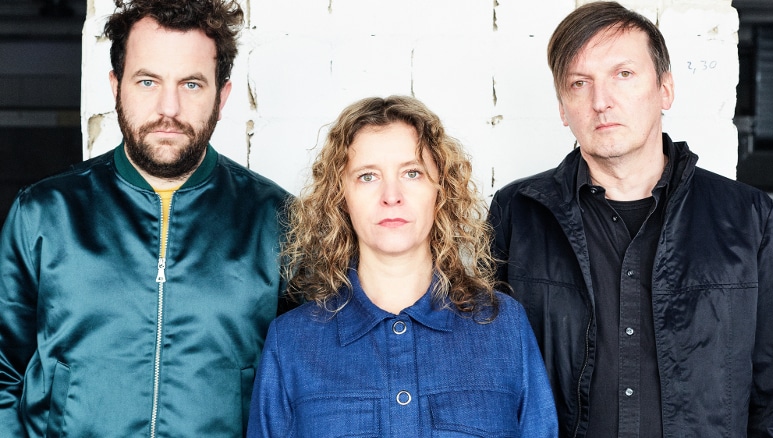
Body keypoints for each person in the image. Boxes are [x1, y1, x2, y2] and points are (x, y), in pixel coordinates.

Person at [488, 2, 773, 437]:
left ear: (665, 89)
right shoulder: (518, 212)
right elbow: (491, 375)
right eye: (579, 83)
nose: (601, 102)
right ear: (563, 108)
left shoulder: (747, 216)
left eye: (623, 74)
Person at [0, 0, 290, 436]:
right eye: (148, 81)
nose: (168, 108)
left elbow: (305, 382)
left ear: (222, 96)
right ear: (116, 86)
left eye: (191, 84)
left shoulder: (278, 221)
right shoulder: (44, 213)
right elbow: (4, 371)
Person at [247, 95, 558, 437]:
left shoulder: (504, 327)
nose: (391, 195)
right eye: (368, 176)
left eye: (412, 173)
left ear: (441, 190)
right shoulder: (290, 342)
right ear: (340, 197)